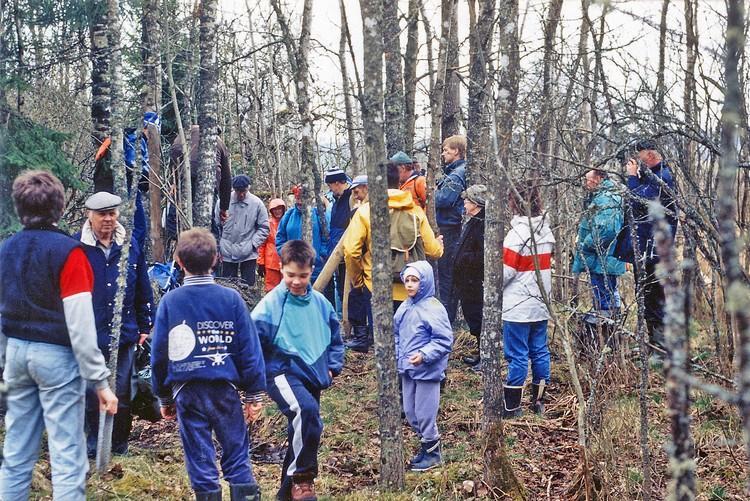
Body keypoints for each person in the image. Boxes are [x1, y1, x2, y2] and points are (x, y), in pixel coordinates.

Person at [0, 171, 118, 500]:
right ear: (60, 205)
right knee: (67, 454)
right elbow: (80, 326)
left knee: (16, 452)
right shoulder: (70, 253)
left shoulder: (5, 250)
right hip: (57, 357)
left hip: (16, 356)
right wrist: (101, 382)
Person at [151, 228, 266, 501]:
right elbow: (249, 349)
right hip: (224, 390)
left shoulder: (170, 301)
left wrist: (163, 396)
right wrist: (254, 393)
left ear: (178, 261)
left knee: (200, 458)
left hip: (187, 392)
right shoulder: (231, 299)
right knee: (237, 454)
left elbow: (159, 355)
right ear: (216, 259)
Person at [251, 240, 344, 501]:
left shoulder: (321, 304)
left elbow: (335, 339)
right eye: (290, 275)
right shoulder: (272, 304)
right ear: (281, 269)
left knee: (303, 428)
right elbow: (252, 340)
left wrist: (332, 369)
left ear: (312, 271)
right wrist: (252, 380)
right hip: (280, 371)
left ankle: (285, 493)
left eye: (303, 276)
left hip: (312, 375)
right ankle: (303, 479)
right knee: (305, 411)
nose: (296, 281)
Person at [75, 192, 154, 458]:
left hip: (124, 335)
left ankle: (119, 447)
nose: (108, 219)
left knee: (122, 391)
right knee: (90, 392)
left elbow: (143, 286)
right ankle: (93, 447)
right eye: (102, 214)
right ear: (90, 215)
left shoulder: (129, 244)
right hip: (88, 334)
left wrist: (145, 324)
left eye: (112, 213)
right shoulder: (77, 247)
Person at [343, 162, 444, 351]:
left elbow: (350, 251)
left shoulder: (366, 211)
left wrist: (359, 281)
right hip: (410, 288)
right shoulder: (415, 211)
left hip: (376, 287)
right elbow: (433, 251)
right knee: (411, 344)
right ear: (398, 182)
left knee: (385, 347)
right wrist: (440, 245)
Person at [614, 139, 678, 351]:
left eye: (640, 158)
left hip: (655, 251)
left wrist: (632, 178)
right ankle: (654, 345)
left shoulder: (663, 178)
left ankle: (661, 348)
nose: (637, 163)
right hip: (648, 252)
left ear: (650, 155)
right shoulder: (653, 177)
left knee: (655, 298)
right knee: (647, 296)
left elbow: (639, 201)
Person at [502, 184, 555, 418]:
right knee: (539, 350)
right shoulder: (546, 231)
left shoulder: (517, 234)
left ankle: (512, 407)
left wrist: (489, 286)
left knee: (518, 354)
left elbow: (505, 272)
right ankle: (538, 401)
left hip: (517, 306)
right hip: (540, 303)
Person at [394, 261, 453, 471]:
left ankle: (433, 453)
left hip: (428, 371)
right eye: (407, 280)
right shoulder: (405, 306)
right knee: (410, 412)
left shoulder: (434, 308)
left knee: (425, 413)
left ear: (425, 282)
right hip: (408, 370)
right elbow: (396, 333)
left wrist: (424, 355)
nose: (409, 285)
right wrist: (398, 357)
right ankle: (426, 447)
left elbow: (444, 340)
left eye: (415, 280)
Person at [572, 170, 625, 314]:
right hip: (602, 261)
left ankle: (607, 331)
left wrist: (586, 245)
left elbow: (607, 231)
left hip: (603, 261)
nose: (586, 183)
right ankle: (611, 328)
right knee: (608, 297)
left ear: (598, 178)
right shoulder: (602, 196)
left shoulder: (606, 198)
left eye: (588, 179)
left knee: (604, 301)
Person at [275, 186, 332, 301]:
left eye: (303, 198)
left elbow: (327, 237)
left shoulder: (318, 214)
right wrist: (285, 255)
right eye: (298, 198)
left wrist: (321, 255)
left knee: (316, 298)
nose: (300, 201)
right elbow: (280, 238)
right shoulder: (288, 216)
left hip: (315, 268)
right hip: (293, 266)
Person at [452, 185, 487, 368]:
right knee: (472, 317)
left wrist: (464, 258)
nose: (464, 204)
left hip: (475, 282)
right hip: (466, 282)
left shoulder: (483, 224)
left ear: (476, 204)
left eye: (467, 201)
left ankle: (485, 358)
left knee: (478, 318)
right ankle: (481, 354)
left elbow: (483, 255)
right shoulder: (473, 221)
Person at [170, 124, 233, 227]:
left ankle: (174, 238)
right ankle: (208, 236)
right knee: (206, 218)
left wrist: (174, 181)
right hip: (208, 180)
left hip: (184, 174)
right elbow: (226, 179)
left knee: (177, 214)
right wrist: (224, 208)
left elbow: (175, 151)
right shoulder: (218, 142)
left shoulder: (184, 135)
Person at [434, 135, 467, 322]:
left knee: (447, 276)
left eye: (446, 150)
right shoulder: (454, 172)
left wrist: (433, 192)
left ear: (456, 151)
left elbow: (444, 199)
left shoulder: (457, 174)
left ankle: (446, 320)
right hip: (450, 228)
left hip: (450, 230)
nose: (443, 153)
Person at [217, 175, 270, 286]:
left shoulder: (257, 204)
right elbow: (216, 225)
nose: (241, 194)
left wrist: (253, 244)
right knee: (228, 286)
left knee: (248, 287)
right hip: (227, 251)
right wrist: (218, 246)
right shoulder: (223, 201)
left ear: (248, 188)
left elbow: (264, 228)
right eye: (238, 191)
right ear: (233, 189)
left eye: (243, 191)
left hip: (248, 253)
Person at [346, 174, 372, 352]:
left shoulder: (365, 211)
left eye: (357, 191)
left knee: (360, 297)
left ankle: (364, 338)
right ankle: (362, 336)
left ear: (366, 188)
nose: (355, 195)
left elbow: (354, 247)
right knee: (357, 298)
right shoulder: (360, 208)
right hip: (362, 263)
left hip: (366, 264)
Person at [325, 169, 353, 305]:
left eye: (330, 186)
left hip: (348, 252)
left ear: (337, 183)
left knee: (349, 292)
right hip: (338, 253)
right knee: (341, 290)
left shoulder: (351, 199)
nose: (330, 190)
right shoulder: (337, 201)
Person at [258, 198, 287, 292]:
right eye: (275, 209)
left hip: (286, 260)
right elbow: (262, 244)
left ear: (283, 209)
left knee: (287, 288)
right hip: (271, 262)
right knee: (271, 289)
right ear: (271, 211)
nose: (278, 211)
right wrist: (260, 263)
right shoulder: (267, 224)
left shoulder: (288, 221)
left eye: (279, 208)